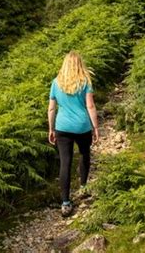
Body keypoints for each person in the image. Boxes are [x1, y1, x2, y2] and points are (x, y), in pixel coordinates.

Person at [48, 50, 99, 217]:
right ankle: (83, 188)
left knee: (65, 162)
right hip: (82, 126)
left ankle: (65, 203)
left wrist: (51, 128)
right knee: (85, 155)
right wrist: (96, 127)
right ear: (79, 65)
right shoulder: (85, 82)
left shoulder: (56, 82)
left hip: (62, 127)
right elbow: (90, 106)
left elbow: (51, 108)